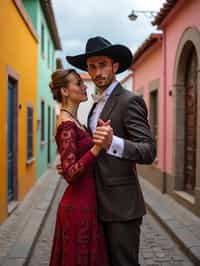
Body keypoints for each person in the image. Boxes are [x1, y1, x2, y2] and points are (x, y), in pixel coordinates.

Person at [64, 36, 157, 266]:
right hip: (96, 204)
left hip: (122, 208)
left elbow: (148, 150)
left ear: (115, 66)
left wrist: (113, 142)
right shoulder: (96, 106)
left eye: (103, 64)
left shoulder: (129, 101)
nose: (97, 72)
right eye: (92, 67)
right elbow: (94, 149)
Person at [49, 68, 112, 266]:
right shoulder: (67, 124)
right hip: (78, 206)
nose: (85, 86)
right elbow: (70, 173)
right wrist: (97, 147)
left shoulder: (75, 122)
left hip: (86, 201)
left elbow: (70, 162)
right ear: (65, 92)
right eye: (78, 83)